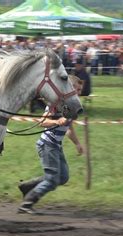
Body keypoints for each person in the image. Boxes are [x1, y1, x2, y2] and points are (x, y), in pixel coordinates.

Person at [17, 75, 84, 214]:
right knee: (52, 180)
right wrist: (56, 122)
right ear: (70, 89)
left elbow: (69, 129)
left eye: (80, 90)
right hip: (47, 145)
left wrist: (77, 144)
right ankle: (27, 203)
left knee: (63, 177)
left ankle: (27, 186)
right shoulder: (56, 104)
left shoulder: (70, 107)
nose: (79, 93)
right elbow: (42, 122)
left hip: (56, 146)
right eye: (77, 89)